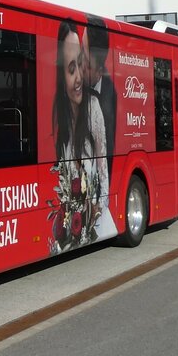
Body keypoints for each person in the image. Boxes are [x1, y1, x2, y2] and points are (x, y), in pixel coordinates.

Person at [50, 21, 115, 252]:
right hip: (74, 225)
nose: (79, 77)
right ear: (61, 75)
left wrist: (98, 210)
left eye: (80, 64)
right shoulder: (60, 117)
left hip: (97, 221)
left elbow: (103, 169)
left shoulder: (94, 107)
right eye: (70, 69)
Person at [84, 15, 116, 182]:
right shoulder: (78, 92)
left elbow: (107, 155)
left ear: (98, 67)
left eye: (86, 59)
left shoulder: (110, 94)